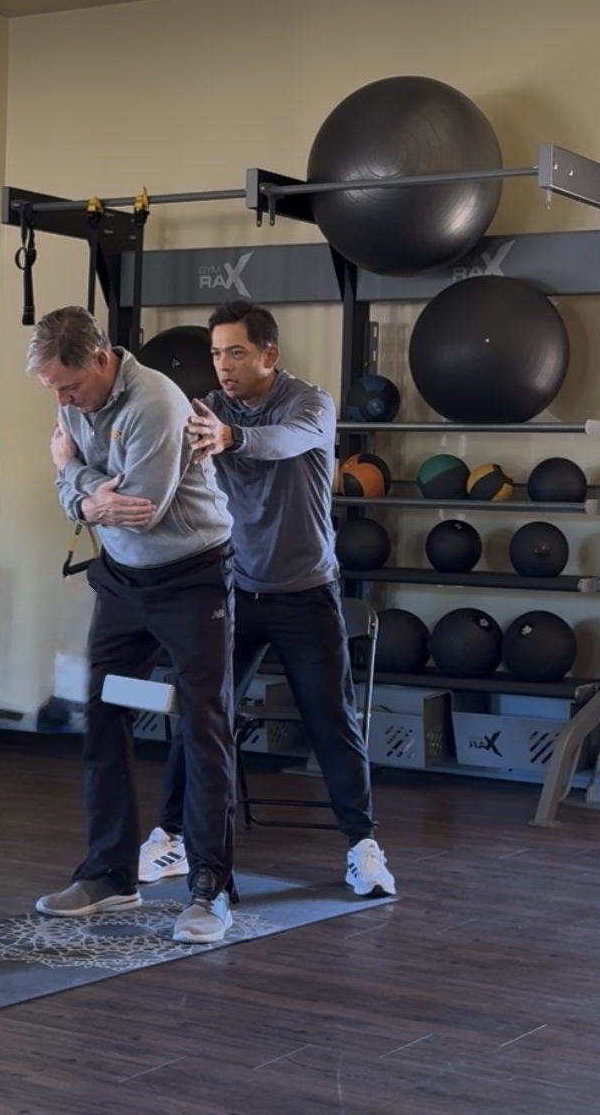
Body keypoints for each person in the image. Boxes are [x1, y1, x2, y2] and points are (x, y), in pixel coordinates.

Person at [138, 299, 397, 899]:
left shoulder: (311, 404)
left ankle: (362, 848)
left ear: (267, 355)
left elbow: (279, 443)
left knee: (333, 722)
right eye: (215, 353)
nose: (223, 365)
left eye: (235, 352)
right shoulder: (206, 410)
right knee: (199, 715)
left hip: (306, 593)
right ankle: (170, 837)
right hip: (233, 593)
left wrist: (231, 438)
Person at [28, 306, 238, 945]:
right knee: (105, 712)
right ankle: (111, 874)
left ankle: (209, 889)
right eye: (53, 393)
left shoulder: (156, 404)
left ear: (100, 359)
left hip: (191, 577)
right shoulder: (73, 402)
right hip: (122, 584)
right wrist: (86, 494)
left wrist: (71, 474)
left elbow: (138, 510)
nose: (63, 403)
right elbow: (89, 507)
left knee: (201, 724)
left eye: (69, 387)